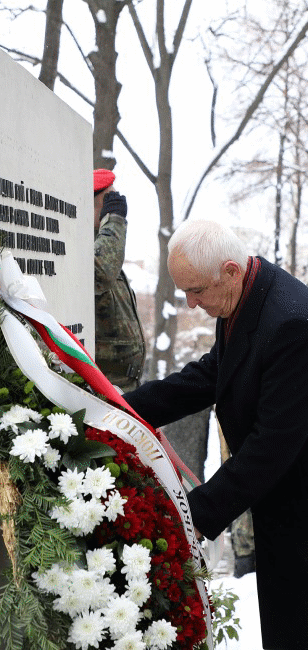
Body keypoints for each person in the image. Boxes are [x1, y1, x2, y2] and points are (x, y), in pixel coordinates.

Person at [124, 219, 308, 650]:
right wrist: (126, 406)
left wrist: (191, 516)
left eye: (196, 291)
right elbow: (213, 374)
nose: (189, 304)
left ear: (229, 270)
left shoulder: (291, 323)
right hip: (281, 504)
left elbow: (271, 446)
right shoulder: (245, 293)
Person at [93, 169, 146, 391]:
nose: (113, 206)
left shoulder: (103, 247)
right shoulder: (91, 252)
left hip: (122, 386)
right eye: (107, 201)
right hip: (103, 388)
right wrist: (113, 221)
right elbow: (101, 271)